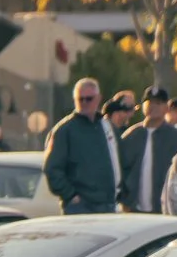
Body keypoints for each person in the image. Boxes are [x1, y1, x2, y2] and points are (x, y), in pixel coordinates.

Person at [43, 77, 123, 214]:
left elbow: (121, 160)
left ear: (98, 98)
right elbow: (52, 169)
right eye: (80, 99)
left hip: (109, 204)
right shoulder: (64, 130)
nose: (84, 102)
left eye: (89, 98)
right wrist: (71, 196)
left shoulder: (107, 127)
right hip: (80, 207)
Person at [120, 85, 177, 214]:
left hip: (165, 209)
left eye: (158, 103)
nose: (153, 106)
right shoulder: (131, 136)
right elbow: (120, 170)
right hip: (134, 209)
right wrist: (125, 199)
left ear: (166, 108)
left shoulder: (176, 138)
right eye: (149, 102)